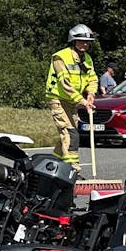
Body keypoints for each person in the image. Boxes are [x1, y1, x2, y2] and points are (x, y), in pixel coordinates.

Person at [46, 24, 99, 176]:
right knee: (71, 134)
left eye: (88, 41)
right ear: (73, 41)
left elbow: (92, 79)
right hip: (58, 99)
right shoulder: (60, 57)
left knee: (68, 135)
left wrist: (91, 94)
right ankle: (72, 170)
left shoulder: (87, 59)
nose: (85, 44)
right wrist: (83, 101)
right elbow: (65, 85)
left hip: (72, 101)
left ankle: (53, 163)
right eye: (81, 41)